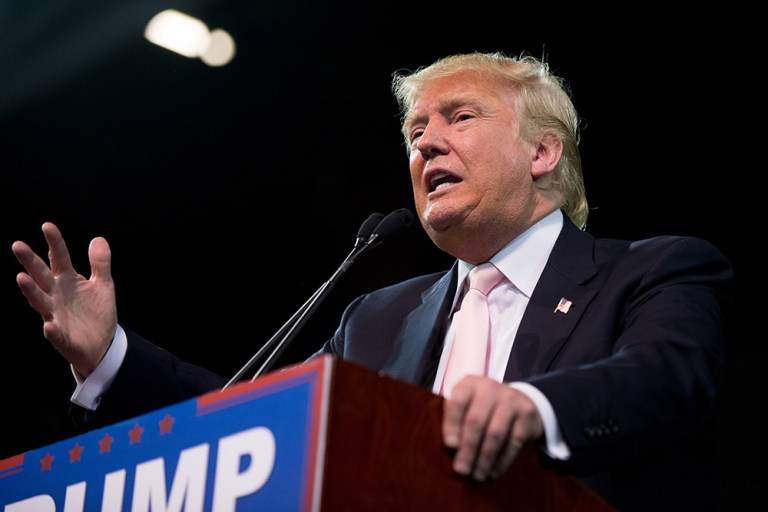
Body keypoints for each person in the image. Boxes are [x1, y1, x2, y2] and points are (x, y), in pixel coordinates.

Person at [11, 52, 734, 511]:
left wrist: (531, 410)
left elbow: (663, 378)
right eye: (415, 130)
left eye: (459, 116)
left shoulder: (655, 269)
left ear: (543, 150)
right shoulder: (378, 318)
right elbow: (252, 428)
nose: (425, 142)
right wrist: (109, 356)